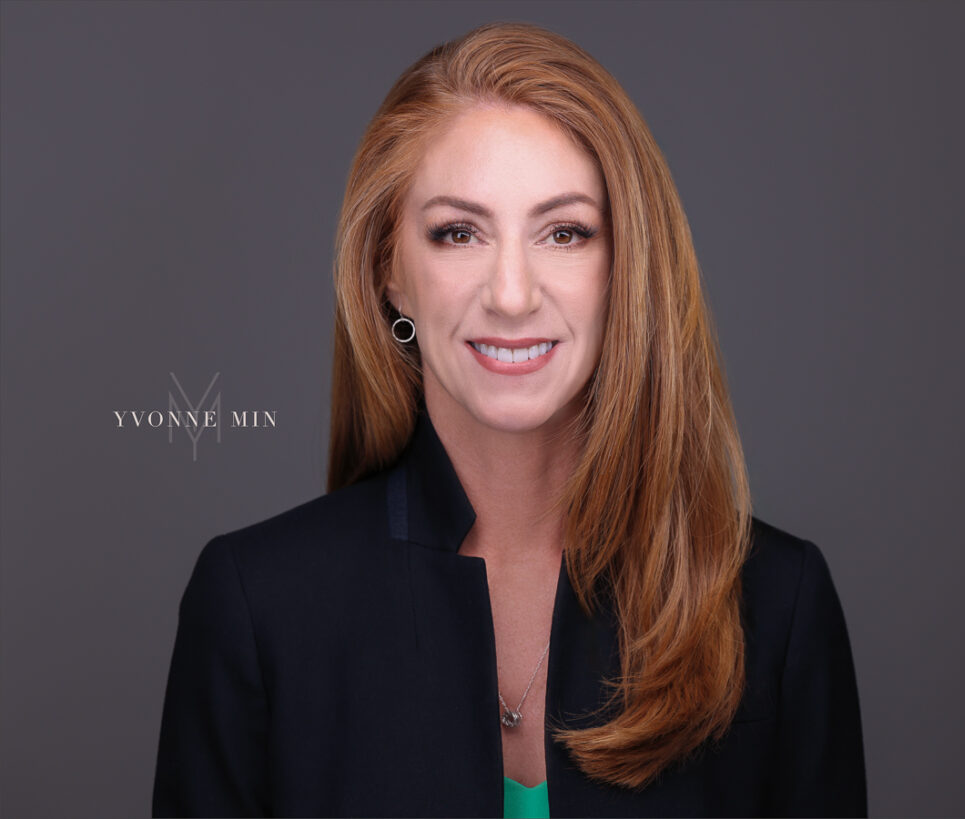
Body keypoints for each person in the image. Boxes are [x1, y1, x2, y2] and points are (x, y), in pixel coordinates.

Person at [152, 20, 867, 819]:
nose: (513, 293)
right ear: (390, 273)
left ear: (624, 267)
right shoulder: (256, 608)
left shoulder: (775, 604)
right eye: (459, 232)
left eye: (564, 232)